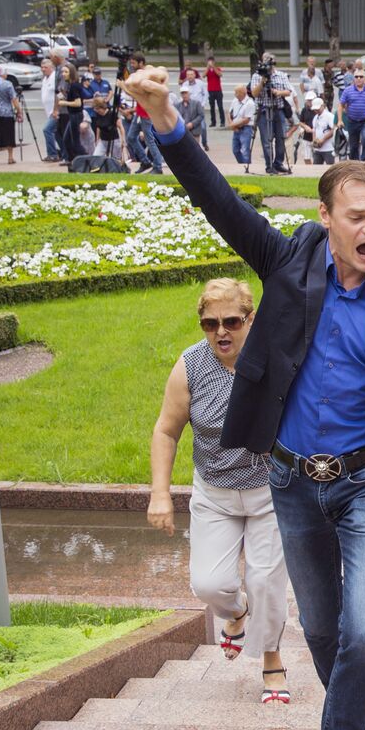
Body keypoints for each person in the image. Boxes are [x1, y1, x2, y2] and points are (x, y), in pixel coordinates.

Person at [124, 64, 365, 730]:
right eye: (358, 215)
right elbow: (217, 201)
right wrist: (166, 115)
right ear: (327, 216)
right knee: (325, 632)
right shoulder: (290, 261)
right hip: (292, 485)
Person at [147, 278, 290, 705]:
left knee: (265, 580)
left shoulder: (275, 358)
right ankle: (236, 613)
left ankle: (271, 659)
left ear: (251, 319)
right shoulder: (190, 366)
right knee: (210, 585)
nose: (221, 332)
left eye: (232, 321)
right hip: (215, 491)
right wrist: (160, 494)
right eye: (210, 324)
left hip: (268, 490)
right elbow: (166, 431)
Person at [249, 54, 293, 174]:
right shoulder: (257, 76)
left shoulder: (281, 75)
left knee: (281, 138)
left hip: (278, 109)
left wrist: (278, 92)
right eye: (264, 61)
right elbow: (254, 93)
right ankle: (269, 166)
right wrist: (262, 83)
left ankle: (278, 163)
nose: (266, 64)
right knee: (266, 139)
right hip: (263, 110)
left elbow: (288, 91)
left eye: (268, 61)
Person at [338, 69, 365, 162]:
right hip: (352, 121)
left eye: (361, 77)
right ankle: (355, 164)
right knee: (353, 145)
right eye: (356, 77)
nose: (359, 79)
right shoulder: (348, 90)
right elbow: (340, 105)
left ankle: (364, 161)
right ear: (353, 78)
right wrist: (339, 120)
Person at [53, 62, 86, 165]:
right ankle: (71, 160)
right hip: (72, 115)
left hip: (76, 115)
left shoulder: (75, 86)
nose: (63, 74)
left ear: (71, 73)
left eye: (66, 72)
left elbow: (78, 103)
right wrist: (64, 96)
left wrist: (64, 102)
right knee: (66, 139)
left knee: (75, 141)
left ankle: (85, 160)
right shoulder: (71, 86)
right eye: (62, 71)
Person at [227, 83, 256, 171]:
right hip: (236, 128)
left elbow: (246, 119)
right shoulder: (235, 101)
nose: (235, 94)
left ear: (243, 93)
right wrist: (232, 124)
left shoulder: (250, 103)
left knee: (245, 150)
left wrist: (233, 125)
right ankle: (241, 164)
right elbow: (229, 113)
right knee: (235, 149)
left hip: (246, 128)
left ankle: (247, 167)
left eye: (237, 92)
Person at [39, 59, 60, 163]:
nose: (43, 69)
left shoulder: (55, 78)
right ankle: (62, 152)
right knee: (57, 134)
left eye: (45, 67)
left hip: (55, 111)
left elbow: (59, 94)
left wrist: (56, 109)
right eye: (42, 67)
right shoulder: (45, 79)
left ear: (51, 68)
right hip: (48, 111)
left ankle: (52, 154)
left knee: (47, 130)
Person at [309, 95, 338, 165]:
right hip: (317, 149)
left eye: (318, 108)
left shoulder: (329, 116)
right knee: (316, 168)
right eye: (315, 109)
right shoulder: (315, 117)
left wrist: (323, 140)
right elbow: (314, 130)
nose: (316, 110)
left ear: (323, 106)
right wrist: (314, 140)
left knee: (330, 168)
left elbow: (333, 130)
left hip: (328, 148)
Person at [204, 57, 224, 127]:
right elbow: (203, 75)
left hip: (218, 90)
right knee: (212, 107)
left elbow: (219, 74)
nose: (210, 63)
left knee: (220, 106)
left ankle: (222, 122)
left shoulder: (217, 68)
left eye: (211, 62)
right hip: (210, 90)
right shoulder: (207, 70)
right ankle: (213, 122)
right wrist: (208, 67)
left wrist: (213, 67)